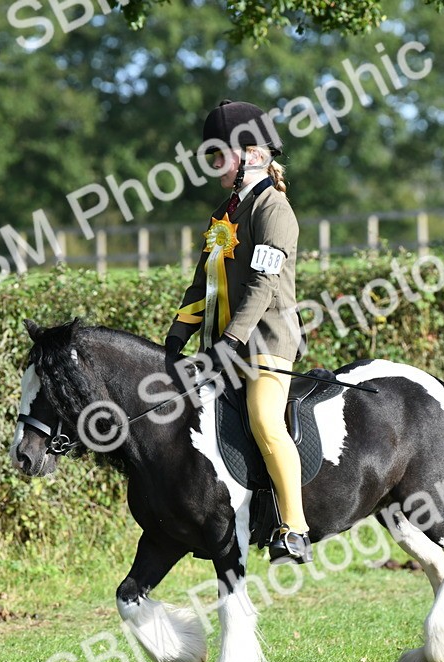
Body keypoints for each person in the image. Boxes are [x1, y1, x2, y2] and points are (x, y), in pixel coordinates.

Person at [164, 99, 311, 565]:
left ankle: (294, 529)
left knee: (266, 421)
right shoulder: (224, 214)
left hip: (266, 341)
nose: (211, 166)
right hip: (223, 344)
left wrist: (232, 341)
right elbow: (202, 282)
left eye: (216, 155)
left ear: (249, 153)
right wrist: (175, 336)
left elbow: (265, 284)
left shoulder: (274, 209)